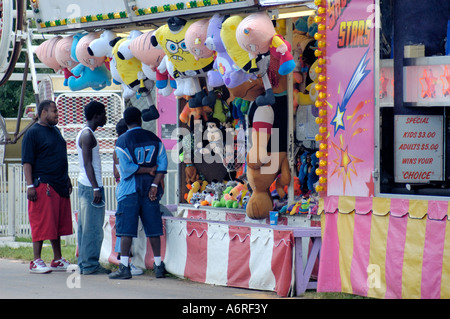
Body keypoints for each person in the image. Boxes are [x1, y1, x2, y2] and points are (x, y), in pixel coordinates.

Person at [109, 107, 168, 280]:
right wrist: (155, 185)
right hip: (151, 190)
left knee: (126, 229)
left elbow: (125, 170)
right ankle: (158, 265)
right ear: (141, 120)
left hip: (129, 191)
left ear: (126, 122)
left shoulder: (122, 141)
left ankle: (124, 267)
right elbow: (162, 166)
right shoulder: (155, 139)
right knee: (154, 227)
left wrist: (143, 169)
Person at [21, 100, 73, 274]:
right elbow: (27, 162)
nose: (57, 114)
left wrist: (67, 178)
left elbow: (60, 156)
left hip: (59, 183)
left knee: (56, 224)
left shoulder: (56, 131)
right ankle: (36, 261)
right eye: (54, 112)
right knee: (42, 222)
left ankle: (57, 259)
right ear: (43, 112)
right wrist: (30, 185)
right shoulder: (33, 133)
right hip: (43, 183)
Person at [76, 100, 110, 275]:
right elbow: (88, 164)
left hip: (86, 185)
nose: (105, 117)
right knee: (93, 228)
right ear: (96, 116)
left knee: (85, 227)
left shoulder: (85, 133)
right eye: (103, 113)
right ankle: (90, 265)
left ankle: (84, 263)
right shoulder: (88, 135)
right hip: (91, 187)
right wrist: (96, 188)